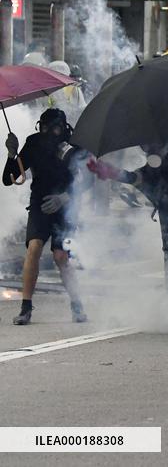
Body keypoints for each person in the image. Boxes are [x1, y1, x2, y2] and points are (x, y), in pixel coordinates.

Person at [88, 142, 168, 327]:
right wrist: (110, 171)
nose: (149, 150)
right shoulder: (150, 171)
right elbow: (131, 177)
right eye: (145, 147)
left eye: (153, 146)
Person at [3, 109, 87, 325]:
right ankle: (26, 307)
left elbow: (86, 182)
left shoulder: (73, 146)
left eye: (55, 127)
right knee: (34, 248)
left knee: (61, 257)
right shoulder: (34, 143)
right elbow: (8, 178)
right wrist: (12, 154)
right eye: (46, 127)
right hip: (40, 204)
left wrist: (64, 198)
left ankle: (77, 304)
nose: (50, 132)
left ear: (64, 127)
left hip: (65, 206)